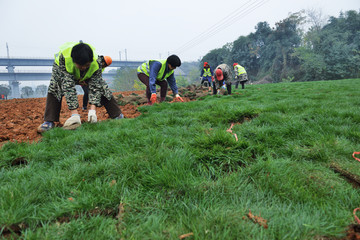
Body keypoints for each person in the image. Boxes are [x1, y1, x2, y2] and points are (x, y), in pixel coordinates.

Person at [37, 41, 124, 133]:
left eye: (86, 65)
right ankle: (49, 121)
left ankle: (117, 115)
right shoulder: (64, 59)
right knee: (55, 87)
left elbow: (96, 85)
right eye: (80, 65)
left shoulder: (97, 62)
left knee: (102, 86)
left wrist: (92, 110)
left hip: (87, 75)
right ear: (74, 61)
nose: (83, 68)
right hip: (64, 72)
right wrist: (74, 114)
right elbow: (68, 86)